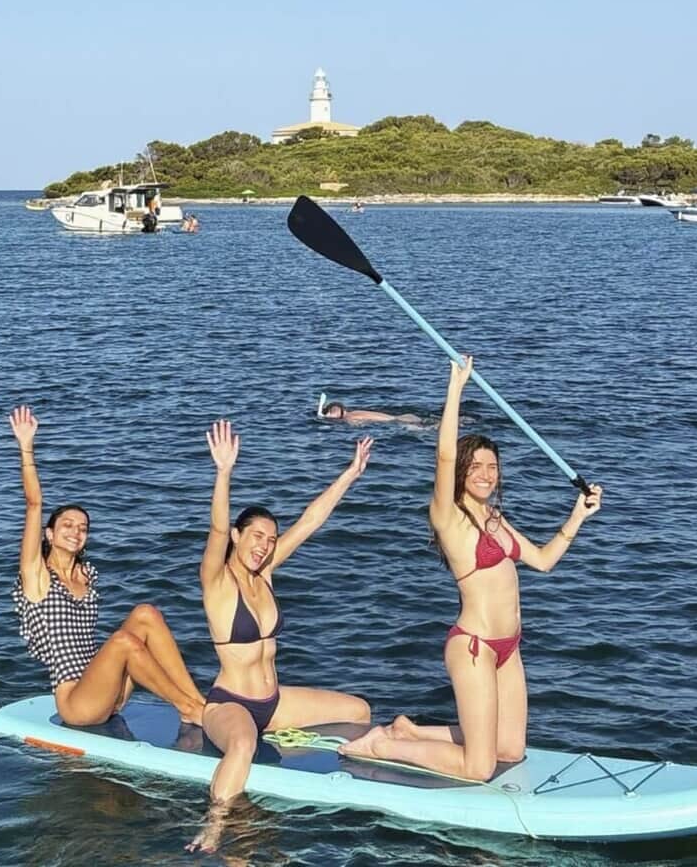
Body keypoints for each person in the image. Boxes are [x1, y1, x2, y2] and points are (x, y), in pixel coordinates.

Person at [338, 356, 602, 780]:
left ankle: (409, 730)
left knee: (511, 751)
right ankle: (382, 744)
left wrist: (578, 515)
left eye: (492, 467)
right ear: (462, 472)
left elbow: (544, 561)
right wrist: (455, 388)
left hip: (508, 648)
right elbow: (443, 456)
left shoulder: (496, 521)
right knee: (478, 768)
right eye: (476, 466)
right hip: (475, 647)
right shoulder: (449, 516)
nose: (485, 474)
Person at [189, 420, 373, 852]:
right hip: (230, 703)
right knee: (242, 745)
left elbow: (310, 521)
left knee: (359, 710)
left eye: (270, 540)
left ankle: (329, 774)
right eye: (256, 536)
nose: (264, 546)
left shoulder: (266, 573)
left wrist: (349, 473)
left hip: (274, 702)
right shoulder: (216, 581)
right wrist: (223, 474)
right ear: (238, 536)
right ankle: (213, 826)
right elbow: (216, 530)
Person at [9, 406, 208, 729]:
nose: (75, 531)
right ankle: (185, 706)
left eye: (83, 527)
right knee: (122, 641)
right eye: (67, 525)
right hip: (77, 703)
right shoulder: (37, 577)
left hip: (109, 693)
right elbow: (34, 504)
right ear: (49, 533)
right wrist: (26, 446)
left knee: (146, 613)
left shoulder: (87, 574)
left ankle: (196, 701)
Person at [319, 397, 428, 427]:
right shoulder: (355, 412)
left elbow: (359, 425)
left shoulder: (350, 418)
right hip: (404, 417)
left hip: (399, 421)